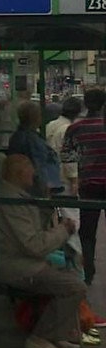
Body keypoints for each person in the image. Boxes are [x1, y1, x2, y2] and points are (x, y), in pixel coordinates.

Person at [0, 154, 86, 348]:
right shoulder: (11, 201)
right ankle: (40, 337)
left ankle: (58, 333)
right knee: (75, 287)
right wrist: (64, 230)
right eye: (31, 169)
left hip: (21, 261)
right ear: (19, 173)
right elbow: (35, 245)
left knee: (70, 272)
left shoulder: (13, 194)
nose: (34, 174)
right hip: (18, 268)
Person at [62, 88, 106, 286]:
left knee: (87, 232)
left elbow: (66, 156)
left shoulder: (76, 128)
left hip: (89, 184)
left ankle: (88, 272)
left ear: (85, 105)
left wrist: (84, 161)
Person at [8, 100, 64, 196]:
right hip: (34, 187)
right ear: (35, 118)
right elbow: (38, 163)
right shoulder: (31, 139)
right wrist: (45, 186)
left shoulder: (19, 136)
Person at [48, 97, 84, 196]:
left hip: (51, 175)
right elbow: (69, 157)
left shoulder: (51, 125)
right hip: (65, 179)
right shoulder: (68, 129)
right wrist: (74, 181)